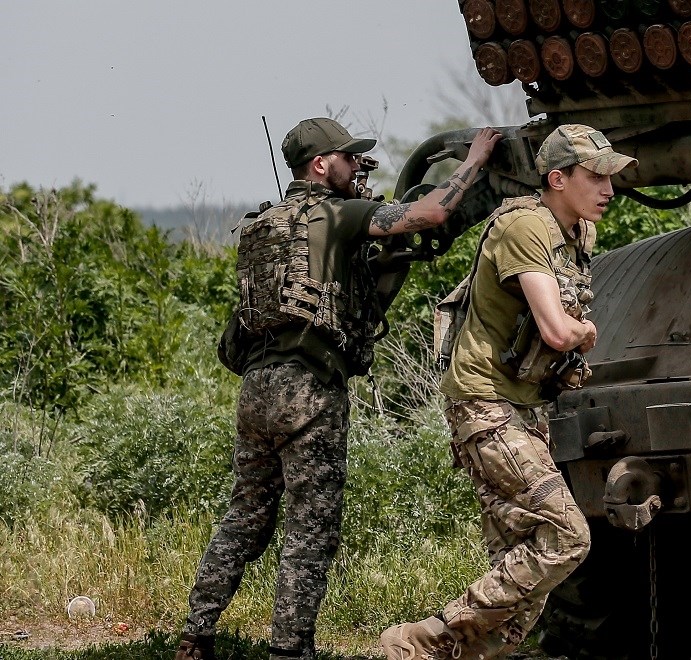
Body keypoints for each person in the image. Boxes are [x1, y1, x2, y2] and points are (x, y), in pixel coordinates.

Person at [174, 117, 502, 660]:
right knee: (311, 528)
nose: (357, 167)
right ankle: (289, 650)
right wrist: (475, 160)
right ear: (321, 165)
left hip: (256, 388)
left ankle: (195, 635)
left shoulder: (264, 225)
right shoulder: (337, 213)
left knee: (246, 516)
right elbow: (433, 212)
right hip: (309, 388)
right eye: (349, 159)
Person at [379, 124, 637, 660]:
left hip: (521, 406)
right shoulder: (524, 226)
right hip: (485, 402)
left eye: (611, 176)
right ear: (558, 178)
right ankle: (416, 642)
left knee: (521, 579)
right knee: (567, 538)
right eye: (596, 177)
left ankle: (454, 653)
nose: (609, 189)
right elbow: (559, 332)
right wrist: (585, 333)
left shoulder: (576, 232)